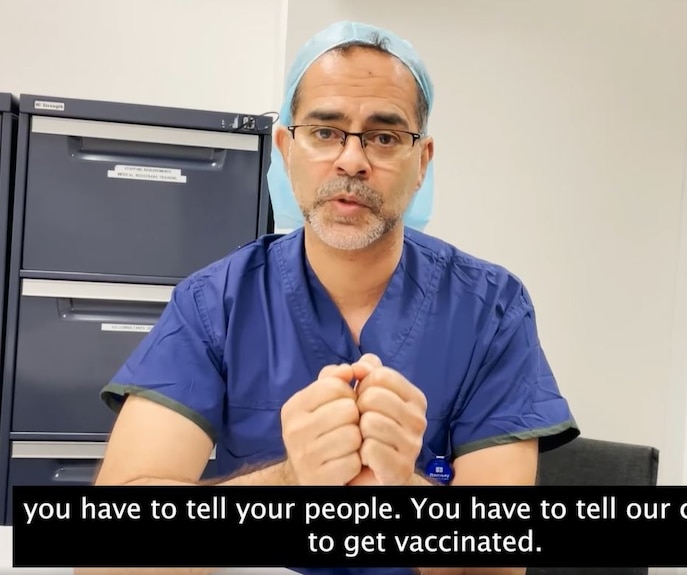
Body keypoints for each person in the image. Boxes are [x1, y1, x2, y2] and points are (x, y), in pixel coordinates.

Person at [84, 20, 579, 575]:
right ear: (285, 149)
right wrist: (289, 481)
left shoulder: (491, 310)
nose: (351, 160)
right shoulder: (215, 304)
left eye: (385, 136)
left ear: (423, 162)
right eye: (325, 132)